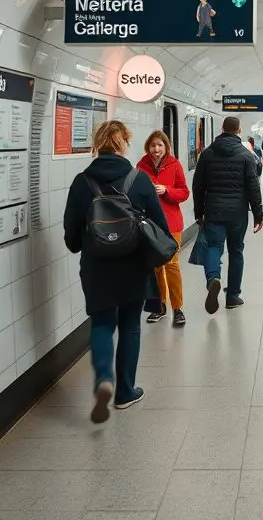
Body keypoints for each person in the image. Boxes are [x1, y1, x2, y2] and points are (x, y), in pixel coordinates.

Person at [63, 120, 170, 423]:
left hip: (97, 266)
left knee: (102, 324)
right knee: (131, 326)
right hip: (134, 264)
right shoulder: (140, 180)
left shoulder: (82, 181)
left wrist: (81, 243)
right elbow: (160, 227)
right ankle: (125, 392)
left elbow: (72, 233)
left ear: (98, 144)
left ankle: (103, 382)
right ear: (124, 143)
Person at [192, 116, 263, 313]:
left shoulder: (207, 154)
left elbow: (198, 186)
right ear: (239, 131)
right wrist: (258, 215)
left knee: (214, 247)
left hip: (214, 210)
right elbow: (253, 187)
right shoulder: (246, 155)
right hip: (238, 213)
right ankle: (232, 296)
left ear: (222, 128)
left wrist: (199, 212)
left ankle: (213, 278)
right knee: (236, 251)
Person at [136, 130, 190, 328]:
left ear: (166, 146)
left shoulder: (175, 165)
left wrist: (167, 191)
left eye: (160, 145)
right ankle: (160, 306)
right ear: (147, 147)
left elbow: (184, 192)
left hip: (171, 223)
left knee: (172, 264)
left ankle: (178, 308)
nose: (156, 149)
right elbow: (134, 193)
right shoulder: (141, 167)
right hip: (150, 224)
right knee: (156, 266)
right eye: (153, 146)